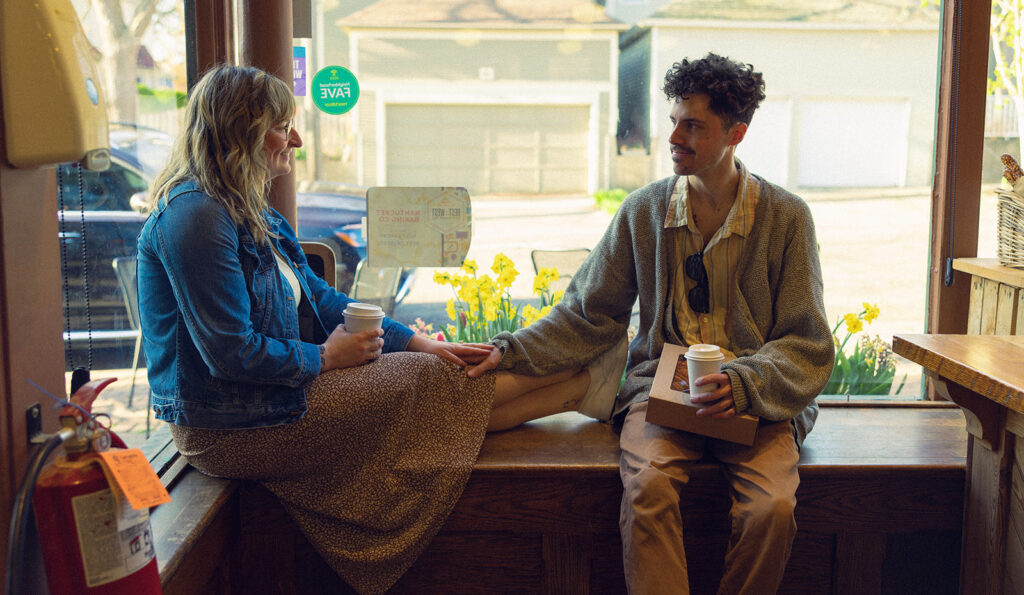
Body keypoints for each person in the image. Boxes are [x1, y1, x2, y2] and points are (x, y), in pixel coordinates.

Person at [136, 64, 604, 594]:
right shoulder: (196, 216)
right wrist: (327, 359)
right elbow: (230, 353)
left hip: (268, 400)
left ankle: (579, 386)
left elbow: (323, 297)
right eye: (281, 124)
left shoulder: (248, 211)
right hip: (230, 430)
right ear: (238, 130)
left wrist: (417, 340)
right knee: (421, 382)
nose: (295, 138)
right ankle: (583, 383)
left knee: (428, 368)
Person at [469, 52, 835, 593]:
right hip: (660, 393)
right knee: (648, 491)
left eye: (694, 125)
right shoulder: (644, 211)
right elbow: (587, 313)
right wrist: (510, 349)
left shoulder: (787, 217)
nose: (674, 137)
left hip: (756, 403)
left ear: (737, 132)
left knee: (772, 509)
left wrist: (744, 383)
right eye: (674, 121)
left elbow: (807, 341)